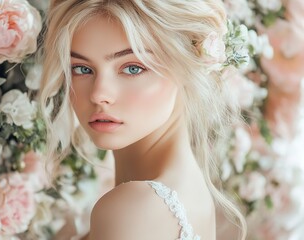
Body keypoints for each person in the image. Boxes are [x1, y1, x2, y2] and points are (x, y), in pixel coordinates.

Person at [39, 0, 247, 239]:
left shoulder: (137, 209)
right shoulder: (185, 192)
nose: (99, 94)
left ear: (188, 65)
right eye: (82, 69)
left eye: (133, 68)